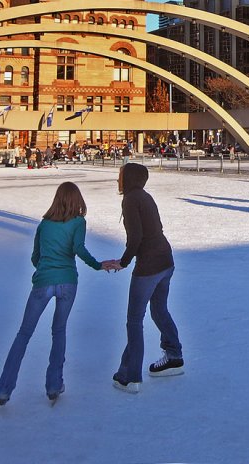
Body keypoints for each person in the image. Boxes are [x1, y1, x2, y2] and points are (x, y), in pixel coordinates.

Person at [0, 182, 112, 406]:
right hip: (67, 282)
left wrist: (44, 269)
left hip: (43, 281)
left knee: (24, 334)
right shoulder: (78, 222)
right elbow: (78, 248)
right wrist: (97, 265)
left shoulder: (45, 224)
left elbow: (35, 257)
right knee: (58, 331)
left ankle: (4, 389)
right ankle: (54, 385)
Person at [109, 162, 183, 394]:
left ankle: (130, 376)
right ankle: (174, 356)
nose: (117, 180)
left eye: (120, 176)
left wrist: (123, 262)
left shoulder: (131, 199)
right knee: (159, 310)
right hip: (165, 261)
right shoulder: (144, 196)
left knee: (134, 320)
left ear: (129, 178)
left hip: (149, 266)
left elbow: (136, 237)